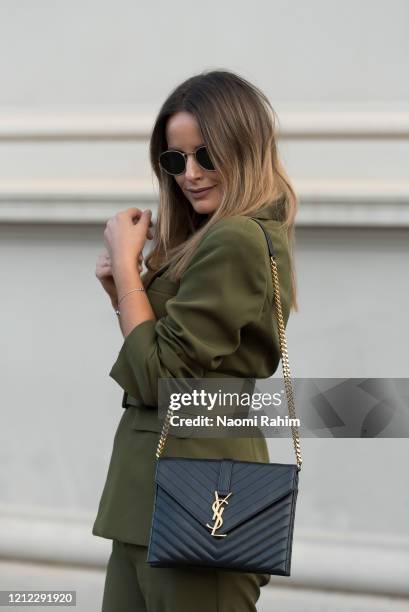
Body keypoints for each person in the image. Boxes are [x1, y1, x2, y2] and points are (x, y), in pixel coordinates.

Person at [92, 69, 299, 612]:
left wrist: (127, 267)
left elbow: (160, 378)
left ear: (244, 147)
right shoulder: (209, 238)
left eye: (206, 155)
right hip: (153, 496)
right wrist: (123, 290)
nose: (189, 173)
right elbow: (158, 359)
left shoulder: (236, 237)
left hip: (201, 501)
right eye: (174, 158)